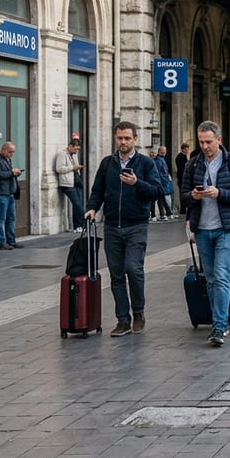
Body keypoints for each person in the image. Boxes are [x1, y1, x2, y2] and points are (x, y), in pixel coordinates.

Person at [84, 121, 162, 337]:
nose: (123, 142)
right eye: (120, 138)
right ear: (115, 138)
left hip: (136, 224)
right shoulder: (107, 163)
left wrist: (137, 183)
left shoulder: (145, 164)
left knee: (133, 269)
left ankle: (138, 312)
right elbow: (97, 190)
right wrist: (92, 208)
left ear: (135, 139)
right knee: (117, 274)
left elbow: (157, 191)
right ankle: (122, 320)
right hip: (111, 226)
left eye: (127, 138)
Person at [182, 121, 230, 347]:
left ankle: (219, 326)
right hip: (202, 229)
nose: (205, 146)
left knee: (220, 275)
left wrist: (220, 193)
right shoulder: (192, 165)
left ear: (219, 140)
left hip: (226, 229)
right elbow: (183, 197)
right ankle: (224, 315)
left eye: (209, 142)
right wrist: (193, 196)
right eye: (201, 142)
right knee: (211, 278)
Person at [0, 142, 22, 250]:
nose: (12, 154)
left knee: (11, 218)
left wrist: (15, 173)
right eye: (10, 152)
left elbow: (6, 173)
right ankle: (1, 242)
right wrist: (11, 173)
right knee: (1, 218)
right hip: (0, 194)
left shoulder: (7, 159)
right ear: (3, 150)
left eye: (13, 152)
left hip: (9, 193)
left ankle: (11, 241)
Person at [54, 138, 85, 232]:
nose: (77, 151)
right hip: (67, 183)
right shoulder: (62, 154)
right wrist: (73, 167)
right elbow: (59, 168)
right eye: (75, 149)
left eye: (78, 149)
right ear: (70, 146)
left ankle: (78, 225)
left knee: (79, 204)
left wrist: (77, 168)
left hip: (76, 182)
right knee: (77, 204)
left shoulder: (74, 155)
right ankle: (80, 225)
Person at [152, 146, 173, 221]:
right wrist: (164, 182)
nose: (164, 152)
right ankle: (163, 214)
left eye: (165, 150)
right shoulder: (159, 160)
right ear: (160, 151)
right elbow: (161, 173)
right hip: (160, 182)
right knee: (159, 198)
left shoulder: (160, 159)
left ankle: (166, 213)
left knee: (161, 198)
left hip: (161, 182)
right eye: (163, 151)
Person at [175, 142, 191, 215]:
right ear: (183, 149)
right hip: (182, 178)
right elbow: (181, 169)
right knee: (182, 194)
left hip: (184, 178)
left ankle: (184, 208)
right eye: (186, 149)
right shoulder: (180, 157)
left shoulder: (185, 156)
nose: (187, 151)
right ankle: (183, 209)